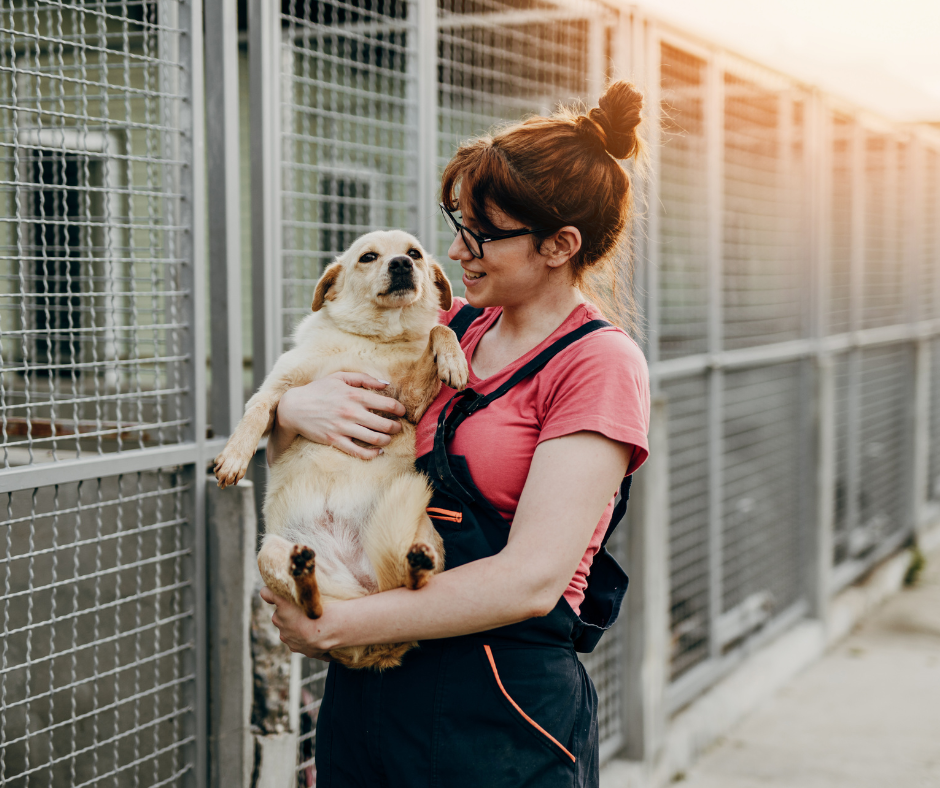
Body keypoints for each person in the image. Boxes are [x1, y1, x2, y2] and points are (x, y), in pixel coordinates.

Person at [260, 81, 651, 787]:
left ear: (560, 245)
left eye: (482, 233)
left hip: (497, 702)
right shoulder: (453, 329)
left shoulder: (599, 364)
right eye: (457, 221)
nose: (455, 249)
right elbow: (327, 451)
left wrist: (341, 626)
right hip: (375, 688)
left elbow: (533, 579)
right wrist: (292, 411)